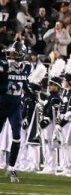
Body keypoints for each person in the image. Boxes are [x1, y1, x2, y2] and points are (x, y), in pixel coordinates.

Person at [1, 41, 32, 182]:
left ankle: (12, 167)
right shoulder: (4, 66)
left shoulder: (26, 67)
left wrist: (33, 93)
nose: (11, 55)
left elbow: (24, 84)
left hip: (15, 106)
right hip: (1, 104)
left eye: (14, 53)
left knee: (17, 136)